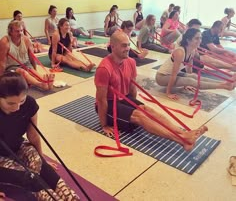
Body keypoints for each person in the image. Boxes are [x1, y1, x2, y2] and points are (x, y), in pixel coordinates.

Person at [94, 30, 208, 151]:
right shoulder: (104, 68)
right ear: (113, 46)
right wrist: (104, 125)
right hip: (108, 104)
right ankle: (182, 140)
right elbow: (101, 100)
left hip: (123, 98)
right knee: (140, 116)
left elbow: (132, 89)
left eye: (128, 45)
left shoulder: (130, 62)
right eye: (124, 45)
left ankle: (183, 133)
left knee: (147, 110)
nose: (128, 48)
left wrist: (137, 106)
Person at [0, 72, 79, 200]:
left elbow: (33, 135)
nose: (17, 107)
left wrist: (41, 159)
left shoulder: (29, 104)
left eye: (21, 101)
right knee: (29, 178)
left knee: (44, 170)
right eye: (10, 104)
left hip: (18, 145)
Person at [156, 28, 235, 100]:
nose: (200, 40)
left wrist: (186, 84)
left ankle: (224, 83)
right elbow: (174, 74)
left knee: (194, 76)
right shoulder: (180, 52)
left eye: (200, 38)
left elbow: (189, 70)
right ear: (188, 40)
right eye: (196, 38)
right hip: (162, 77)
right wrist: (168, 92)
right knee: (190, 80)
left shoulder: (192, 50)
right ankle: (224, 86)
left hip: (171, 74)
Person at [0, 21, 54, 90]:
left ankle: (46, 81)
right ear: (10, 32)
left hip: (26, 64)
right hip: (11, 67)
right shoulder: (5, 42)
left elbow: (32, 57)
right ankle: (40, 84)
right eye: (17, 31)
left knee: (32, 72)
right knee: (23, 72)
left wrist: (35, 70)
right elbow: (2, 63)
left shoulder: (26, 40)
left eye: (21, 31)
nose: (20, 33)